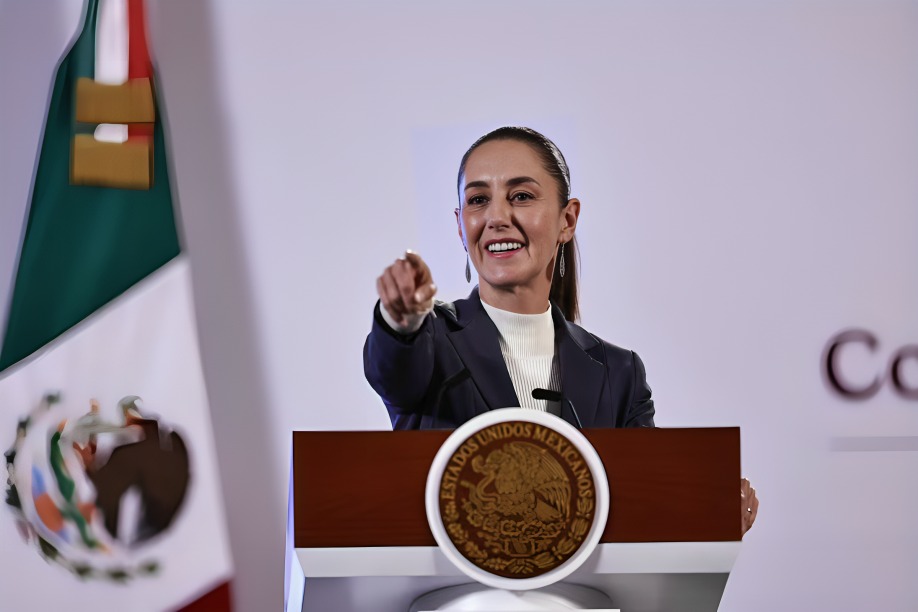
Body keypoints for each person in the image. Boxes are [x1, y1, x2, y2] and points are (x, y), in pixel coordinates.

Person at [363, 126, 758, 534]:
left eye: (521, 196)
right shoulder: (432, 342)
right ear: (461, 225)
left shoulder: (619, 373)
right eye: (479, 200)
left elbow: (645, 512)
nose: (497, 217)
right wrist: (401, 320)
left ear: (567, 219)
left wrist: (708, 515)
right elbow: (394, 368)